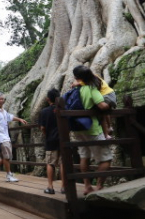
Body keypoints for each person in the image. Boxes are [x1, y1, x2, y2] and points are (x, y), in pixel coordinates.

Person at [72, 65, 113, 194]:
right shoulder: (90, 88)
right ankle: (99, 185)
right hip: (92, 129)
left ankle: (87, 186)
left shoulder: (75, 90)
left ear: (77, 78)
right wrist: (110, 104)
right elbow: (102, 106)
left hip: (78, 129)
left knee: (84, 157)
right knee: (106, 159)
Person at [0, 92, 28, 183]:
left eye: (2, 99)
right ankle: (8, 175)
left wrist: (19, 119)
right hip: (1, 137)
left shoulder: (3, 111)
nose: (1, 101)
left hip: (5, 136)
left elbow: (10, 117)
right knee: (7, 157)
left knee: (3, 155)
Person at [39, 88, 66, 195]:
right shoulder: (63, 109)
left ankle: (50, 187)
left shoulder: (44, 112)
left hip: (50, 140)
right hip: (63, 139)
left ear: (47, 99)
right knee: (63, 163)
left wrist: (47, 135)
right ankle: (64, 187)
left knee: (50, 163)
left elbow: (42, 128)